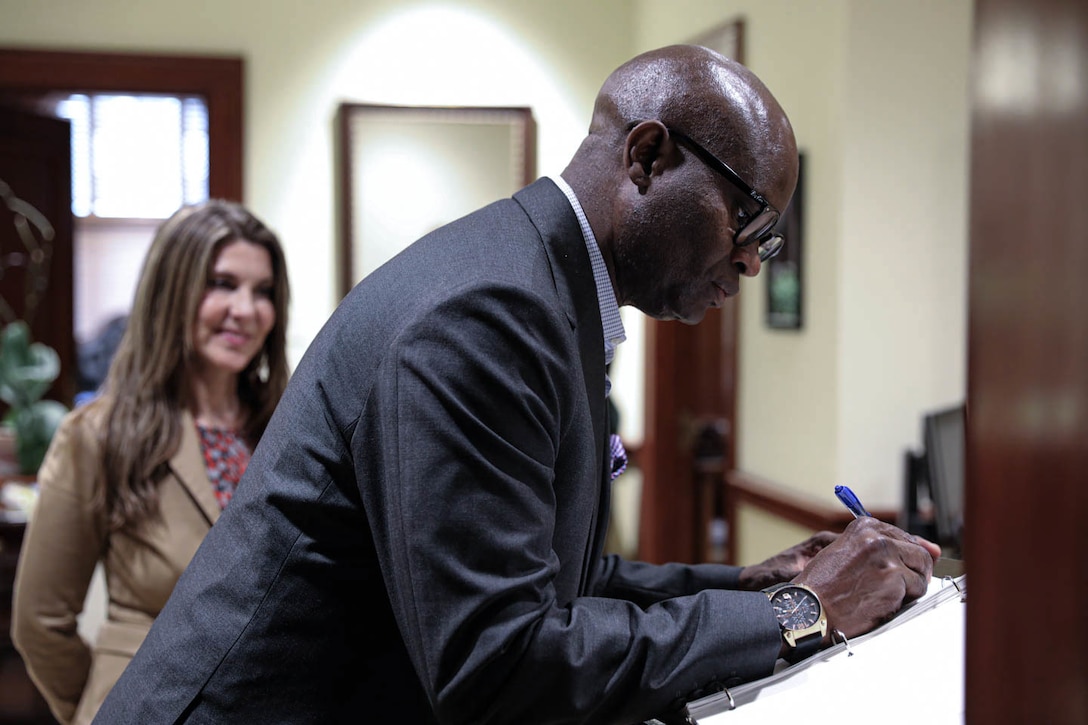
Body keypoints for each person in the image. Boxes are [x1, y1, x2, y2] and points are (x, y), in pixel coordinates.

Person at [93, 45, 939, 725]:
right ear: (647, 156)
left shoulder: (538, 286)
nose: (753, 260)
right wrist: (800, 611)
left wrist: (753, 583)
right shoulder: (488, 310)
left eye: (772, 241)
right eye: (747, 219)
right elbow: (496, 665)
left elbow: (557, 585)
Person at [11, 199, 292, 725]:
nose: (246, 309)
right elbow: (40, 621)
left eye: (264, 292)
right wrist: (104, 709)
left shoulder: (289, 429)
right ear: (173, 293)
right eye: (222, 284)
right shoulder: (100, 435)